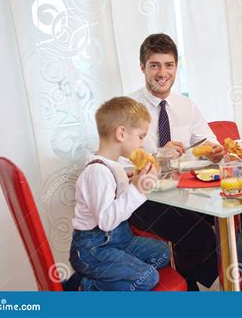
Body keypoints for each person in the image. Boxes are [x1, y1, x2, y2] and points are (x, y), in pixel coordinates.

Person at [129, 33, 242, 290]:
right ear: (142, 67)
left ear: (176, 67)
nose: (162, 72)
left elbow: (207, 141)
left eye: (168, 65)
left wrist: (213, 151)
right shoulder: (127, 107)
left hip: (182, 191)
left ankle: (208, 276)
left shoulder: (186, 105)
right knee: (199, 236)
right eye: (154, 65)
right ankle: (222, 287)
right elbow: (117, 166)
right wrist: (159, 155)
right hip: (145, 198)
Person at [66, 97, 170, 291]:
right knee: (148, 278)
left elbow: (113, 198)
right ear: (121, 133)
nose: (142, 143)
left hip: (119, 241)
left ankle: (108, 272)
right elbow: (106, 221)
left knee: (162, 253)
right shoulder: (97, 172)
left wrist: (129, 182)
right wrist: (137, 189)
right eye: (141, 136)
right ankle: (82, 286)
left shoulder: (113, 167)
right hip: (94, 248)